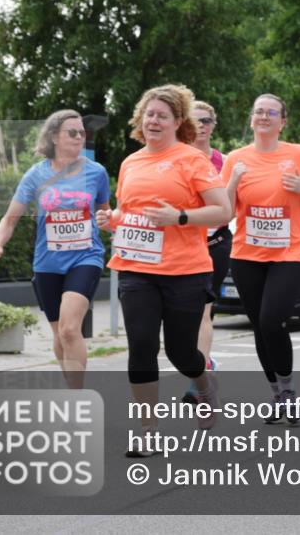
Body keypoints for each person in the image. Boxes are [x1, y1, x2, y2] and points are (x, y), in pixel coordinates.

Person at [97, 85, 231, 450]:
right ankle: (148, 431)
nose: (154, 121)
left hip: (185, 270)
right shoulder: (130, 162)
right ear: (141, 119)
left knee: (181, 353)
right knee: (140, 346)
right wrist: (113, 219)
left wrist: (180, 216)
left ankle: (204, 386)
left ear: (177, 122)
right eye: (149, 114)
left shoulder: (192, 160)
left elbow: (223, 211)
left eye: (162, 115)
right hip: (136, 267)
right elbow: (132, 210)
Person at [222, 93, 300, 424]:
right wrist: (234, 181)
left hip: (290, 253)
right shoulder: (236, 159)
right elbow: (223, 209)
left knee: (272, 321)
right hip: (246, 254)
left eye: (271, 112)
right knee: (259, 326)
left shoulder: (298, 154)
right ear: (252, 119)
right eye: (258, 111)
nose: (263, 116)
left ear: (283, 121)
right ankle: (277, 393)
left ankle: (288, 390)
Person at [0, 110, 110, 389]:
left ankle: (77, 398)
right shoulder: (36, 174)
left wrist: (107, 220)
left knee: (69, 328)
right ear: (54, 136)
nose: (79, 137)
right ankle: (71, 385)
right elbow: (10, 218)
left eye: (82, 132)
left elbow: (106, 213)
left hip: (85, 256)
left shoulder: (96, 172)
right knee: (58, 332)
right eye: (72, 132)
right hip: (47, 263)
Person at [181, 100, 229, 403]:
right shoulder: (177, 159)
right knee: (182, 315)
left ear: (214, 125)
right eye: (195, 120)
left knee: (203, 310)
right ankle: (201, 368)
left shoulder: (224, 161)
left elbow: (233, 203)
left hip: (214, 244)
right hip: (182, 244)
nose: (201, 125)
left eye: (207, 120)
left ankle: (204, 367)